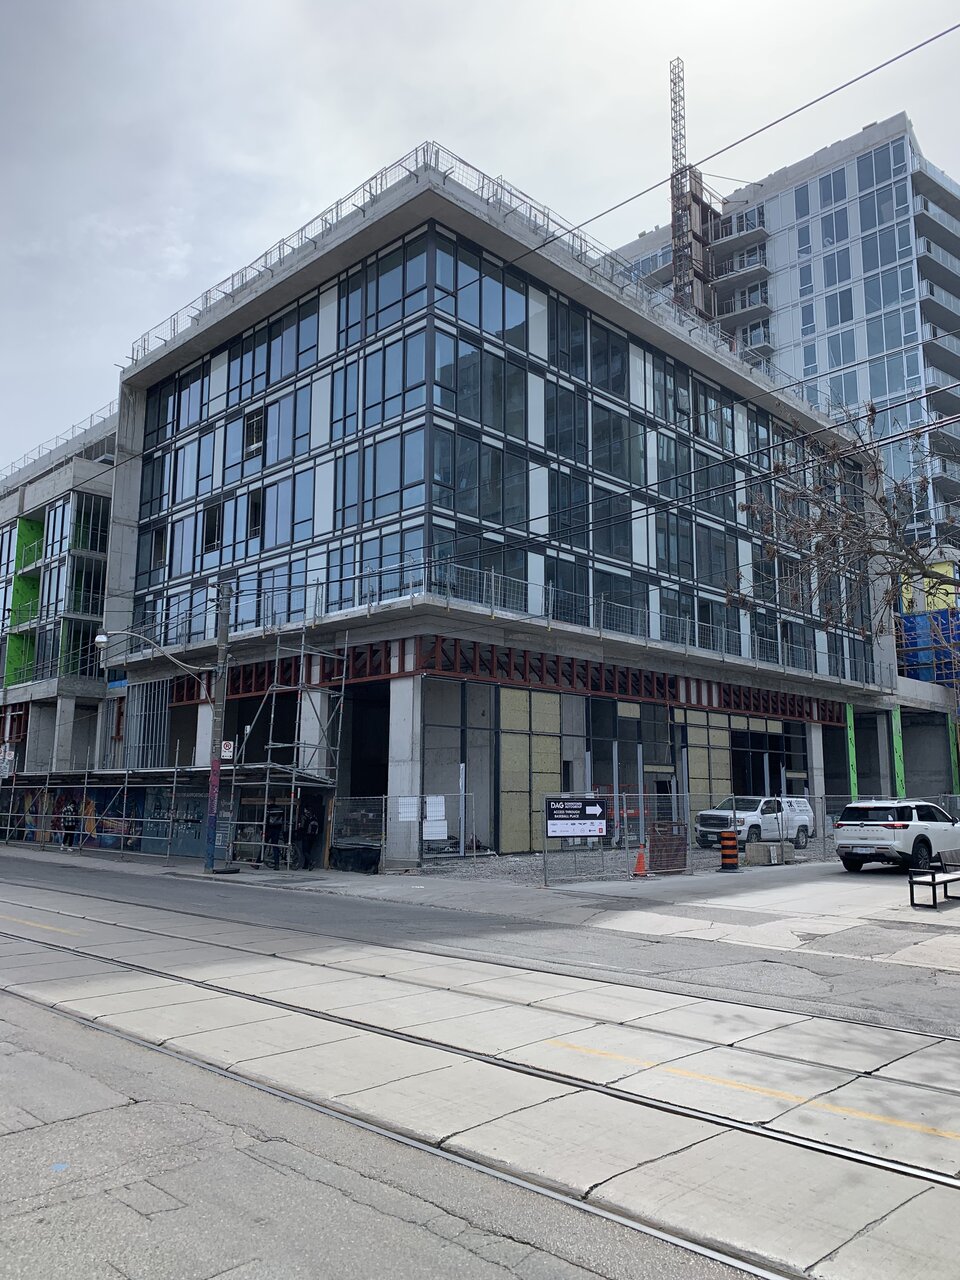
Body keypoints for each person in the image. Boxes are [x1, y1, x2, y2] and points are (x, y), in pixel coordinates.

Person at [263, 798, 285, 870]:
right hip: (277, 830)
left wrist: (262, 828)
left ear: (269, 801)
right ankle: (277, 864)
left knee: (264, 845)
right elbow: (282, 819)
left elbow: (264, 818)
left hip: (268, 829)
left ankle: (257, 862)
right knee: (275, 846)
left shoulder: (267, 808)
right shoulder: (280, 809)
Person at [298, 805, 320, 871]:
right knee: (308, 850)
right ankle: (306, 865)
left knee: (305, 851)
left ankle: (311, 861)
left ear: (306, 810)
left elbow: (302, 826)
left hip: (306, 835)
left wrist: (299, 831)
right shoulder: (314, 817)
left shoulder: (304, 817)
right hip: (313, 836)